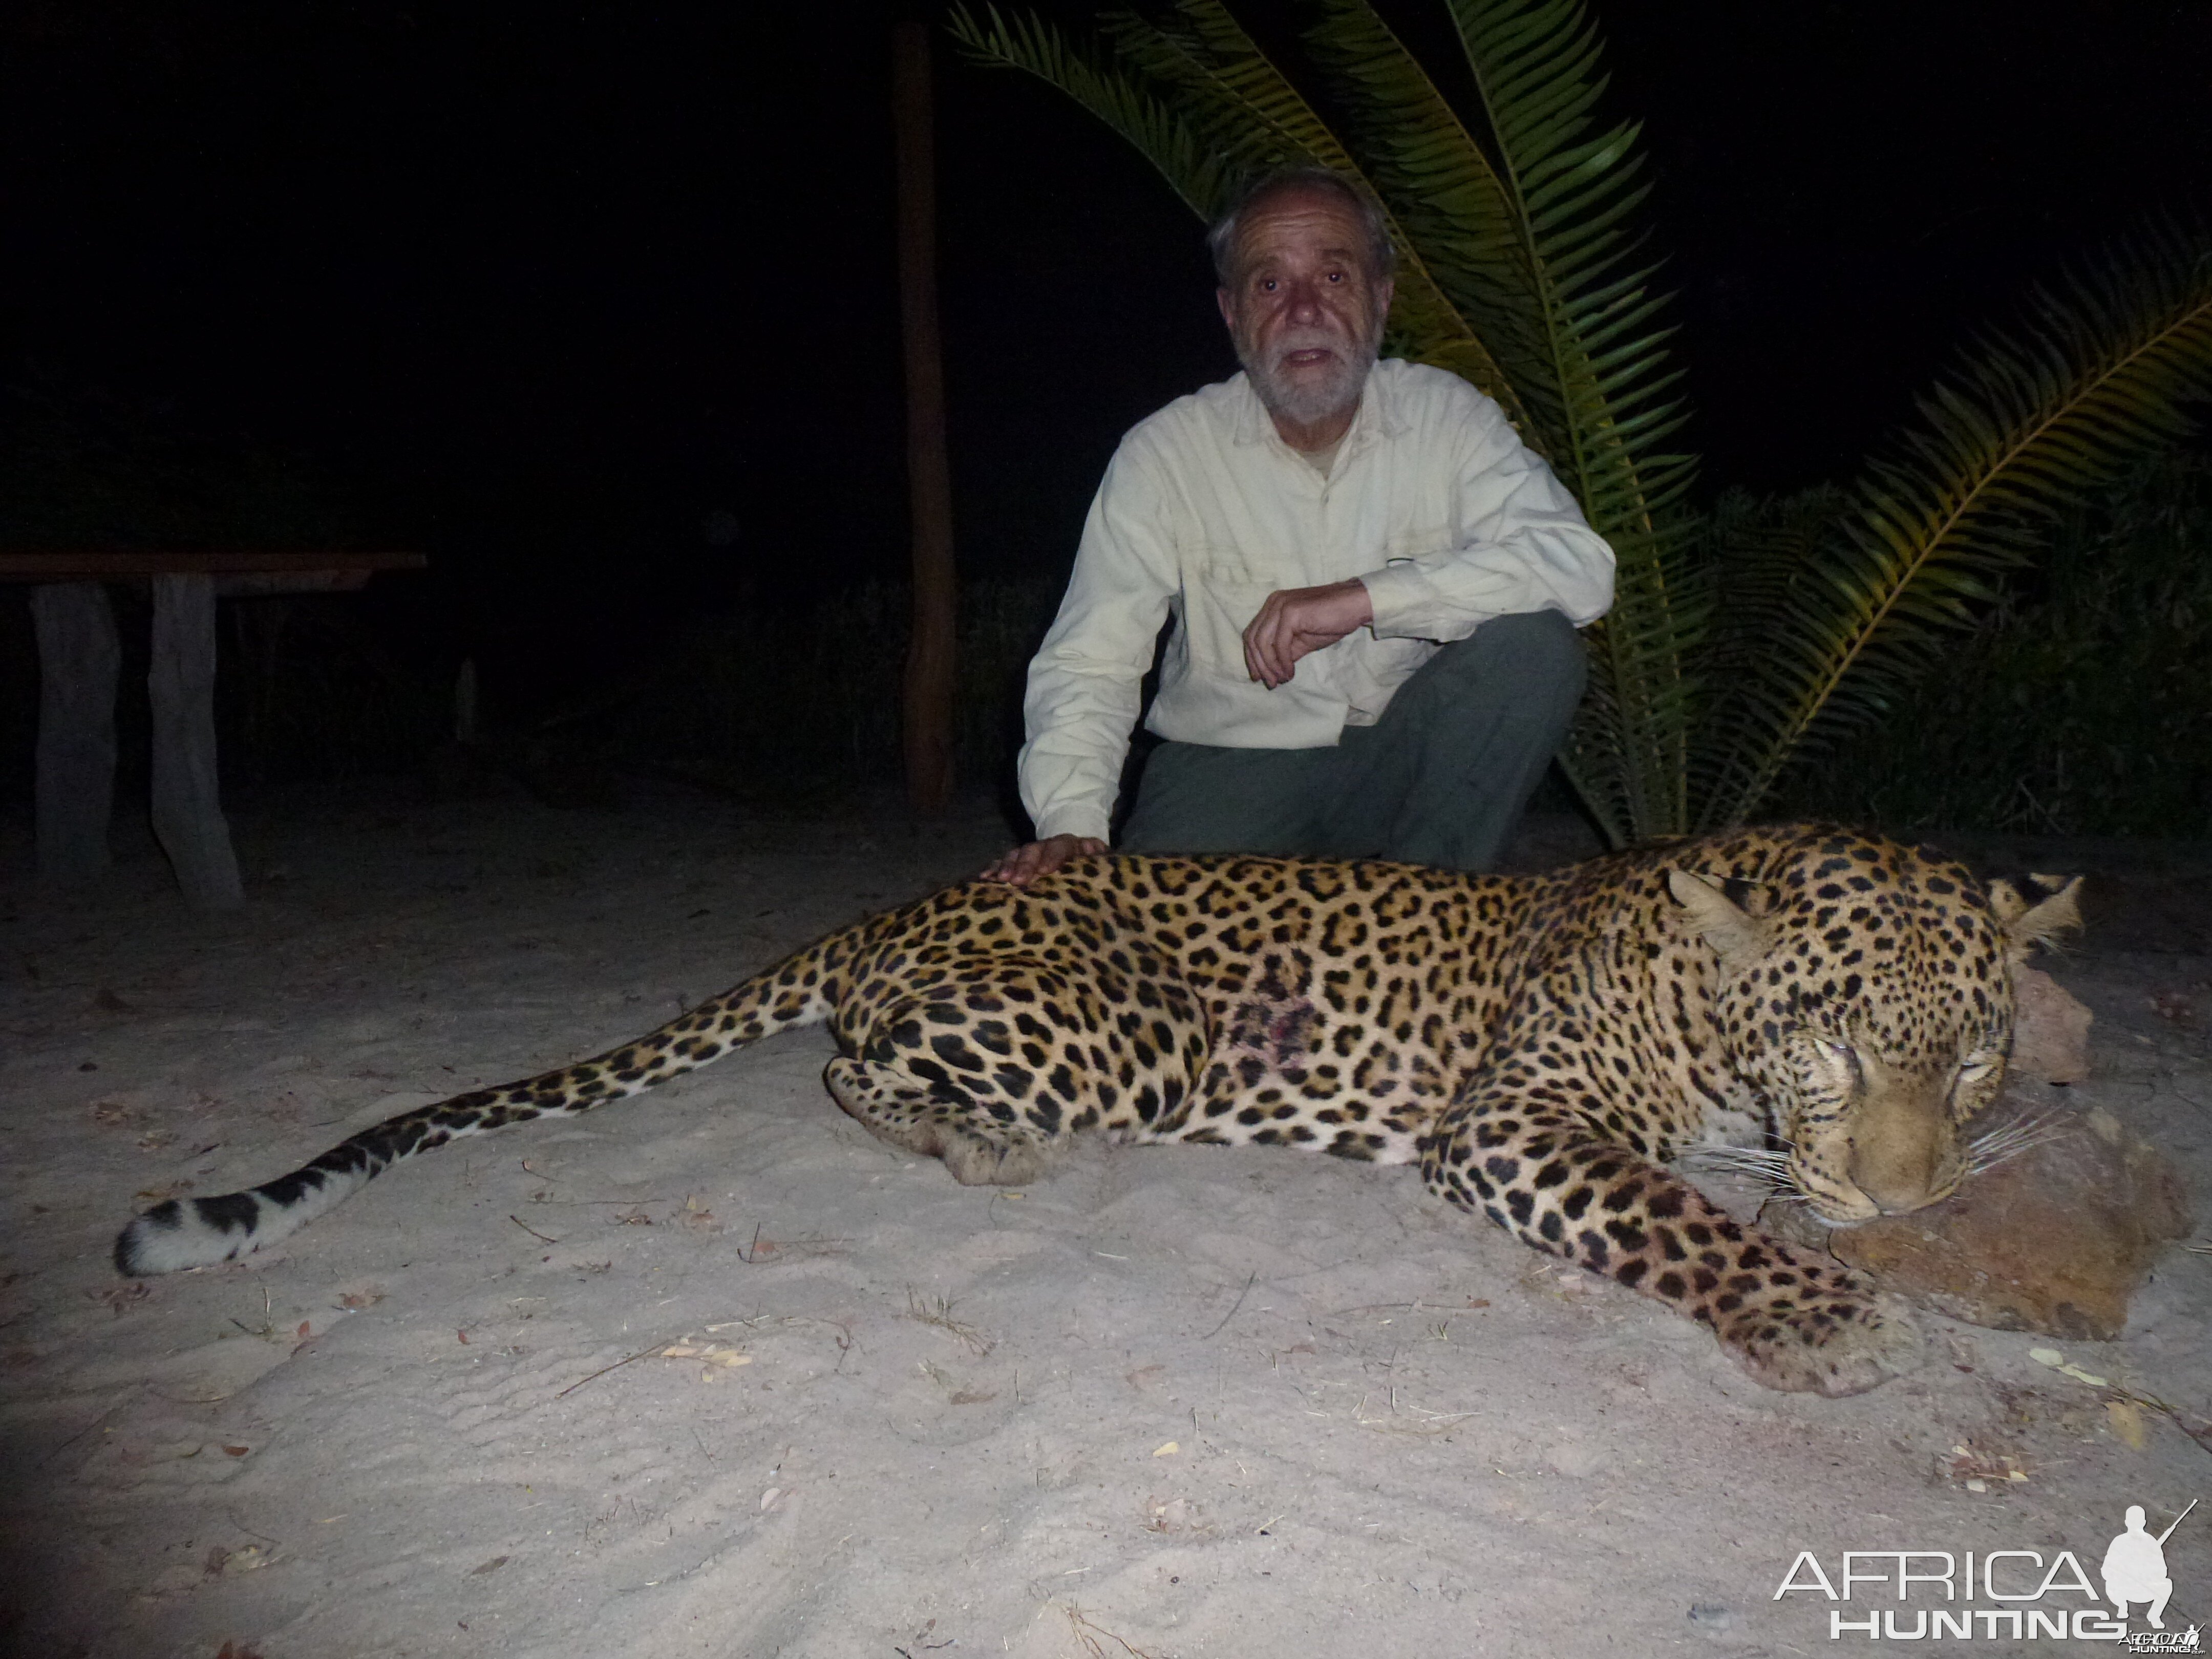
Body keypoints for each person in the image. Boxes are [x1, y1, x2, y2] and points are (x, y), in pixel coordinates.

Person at [983, 165, 1614, 887]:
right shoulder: (1164, 454)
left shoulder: (1448, 417)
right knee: (1151, 956)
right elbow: (1092, 659)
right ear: (1233, 313)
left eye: (1336, 277)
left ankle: (1424, 918)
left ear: (1382, 296)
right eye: (1271, 284)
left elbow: (1579, 565)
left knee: (1534, 648)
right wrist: (1071, 823)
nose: (1305, 310)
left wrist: (1365, 597)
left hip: (1399, 754)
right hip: (1230, 766)